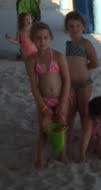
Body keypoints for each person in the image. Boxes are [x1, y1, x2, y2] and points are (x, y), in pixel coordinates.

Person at [25, 22, 71, 168]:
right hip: (44, 100)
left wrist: (62, 102)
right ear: (32, 39)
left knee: (61, 126)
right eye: (38, 38)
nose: (42, 41)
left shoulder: (58, 56)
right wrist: (43, 106)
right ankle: (40, 160)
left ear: (50, 38)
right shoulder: (31, 60)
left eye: (45, 37)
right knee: (43, 129)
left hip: (60, 98)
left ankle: (62, 156)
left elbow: (67, 80)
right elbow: (34, 86)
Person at [64, 11, 98, 152]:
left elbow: (95, 63)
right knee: (70, 113)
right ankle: (68, 139)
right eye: (71, 26)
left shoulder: (86, 43)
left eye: (78, 26)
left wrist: (83, 69)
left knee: (84, 112)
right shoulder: (68, 44)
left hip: (84, 84)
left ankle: (87, 138)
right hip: (71, 85)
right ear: (67, 28)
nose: (75, 29)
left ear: (83, 27)